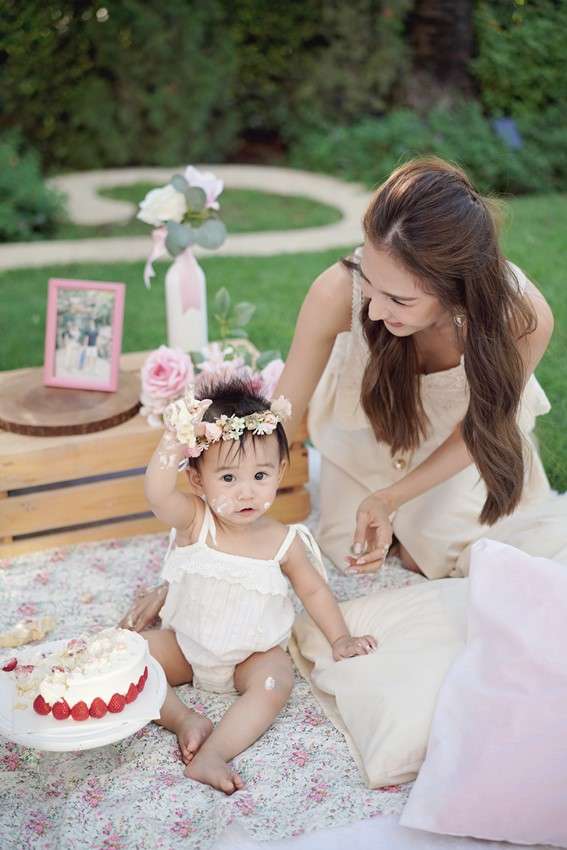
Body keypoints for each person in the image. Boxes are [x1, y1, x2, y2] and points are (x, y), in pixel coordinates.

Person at [276, 156, 556, 579]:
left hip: (460, 447)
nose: (374, 310)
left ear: (456, 290)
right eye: (369, 281)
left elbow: (480, 428)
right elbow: (283, 408)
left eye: (399, 300)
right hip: (368, 436)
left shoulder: (520, 318)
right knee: (344, 547)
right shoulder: (335, 292)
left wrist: (390, 498)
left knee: (435, 551)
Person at [124, 378, 376, 794]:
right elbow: (156, 492)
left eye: (260, 475)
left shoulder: (284, 540)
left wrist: (340, 638)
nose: (246, 492)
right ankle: (183, 719)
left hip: (251, 656)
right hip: (186, 645)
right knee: (130, 653)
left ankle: (214, 753)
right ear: (198, 481)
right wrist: (175, 437)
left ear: (280, 471)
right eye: (227, 478)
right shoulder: (195, 521)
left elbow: (313, 591)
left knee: (276, 681)